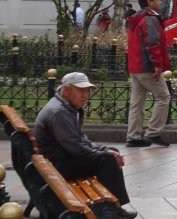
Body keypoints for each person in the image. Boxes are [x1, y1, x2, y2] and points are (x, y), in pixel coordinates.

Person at [35, 72, 137, 218]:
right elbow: (76, 148)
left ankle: (115, 206)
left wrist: (104, 149)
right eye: (81, 91)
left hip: (59, 160)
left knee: (110, 152)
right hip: (58, 166)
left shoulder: (65, 107)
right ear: (66, 90)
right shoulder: (60, 112)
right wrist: (104, 154)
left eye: (87, 91)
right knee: (107, 159)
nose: (85, 95)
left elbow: (81, 140)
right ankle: (114, 209)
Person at [125, 0, 171, 148]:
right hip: (147, 67)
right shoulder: (150, 19)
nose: (160, 2)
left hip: (135, 66)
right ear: (150, 2)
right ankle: (153, 132)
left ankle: (133, 136)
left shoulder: (136, 18)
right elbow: (152, 43)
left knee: (136, 103)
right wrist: (157, 64)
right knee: (164, 97)